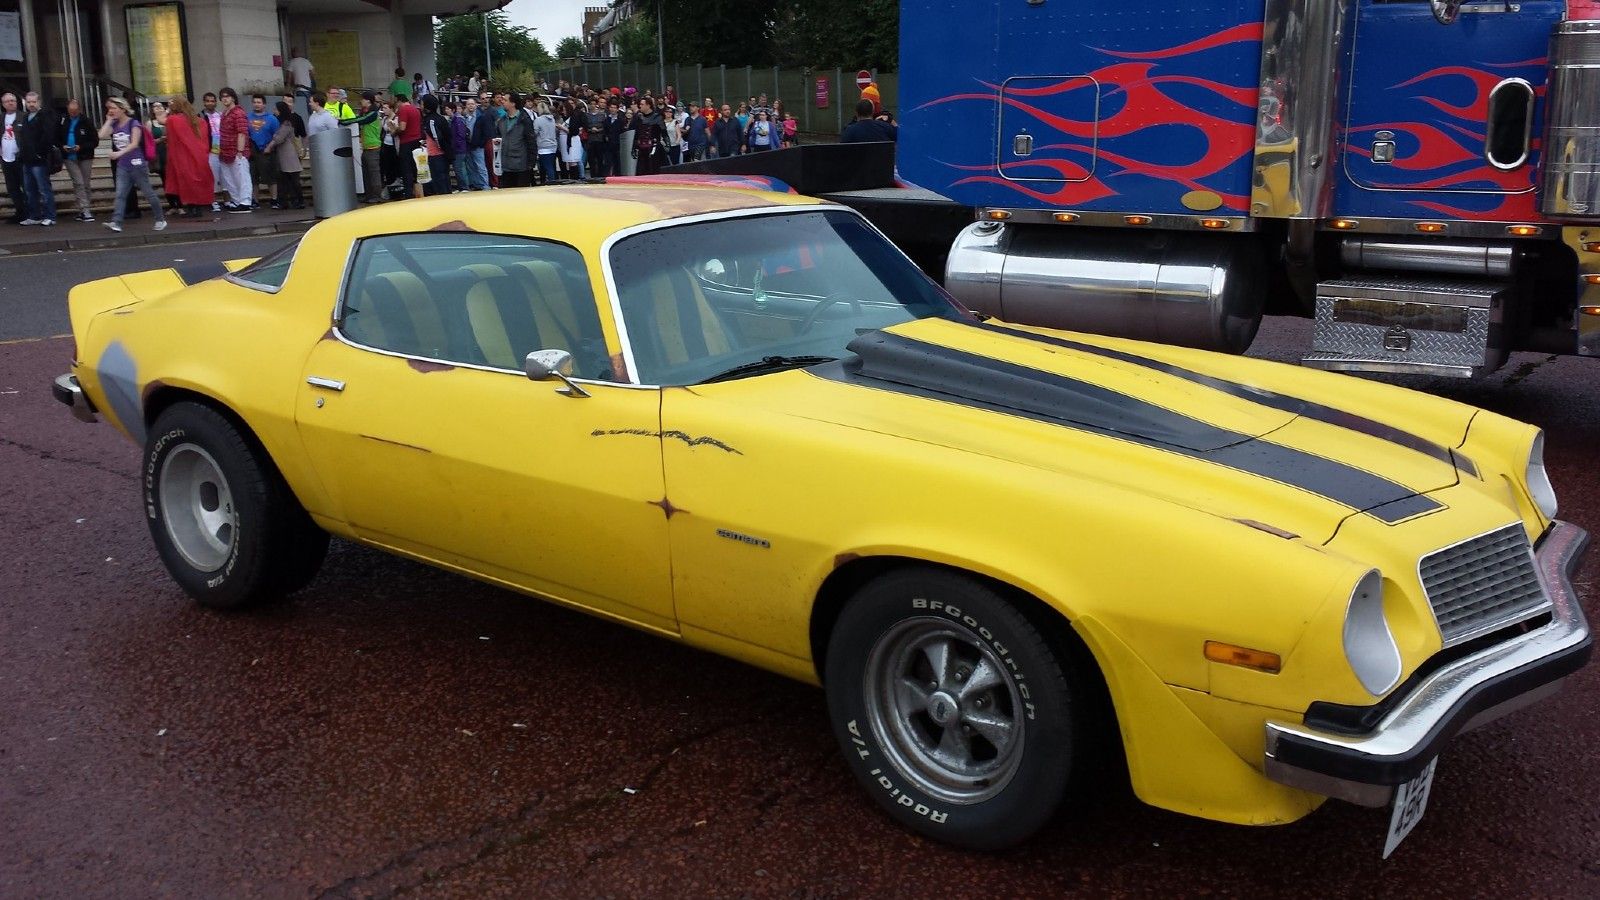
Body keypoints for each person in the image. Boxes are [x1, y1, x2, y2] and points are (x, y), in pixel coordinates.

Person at [99, 97, 166, 232]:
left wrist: (119, 153)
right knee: (120, 194)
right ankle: (116, 222)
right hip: (123, 165)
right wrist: (108, 120)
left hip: (136, 163)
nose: (111, 111)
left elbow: (134, 144)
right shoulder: (114, 124)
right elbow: (101, 135)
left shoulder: (133, 124)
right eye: (109, 108)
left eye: (113, 108)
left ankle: (160, 219)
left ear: (122, 109)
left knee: (148, 192)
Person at [162, 96, 214, 218]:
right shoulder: (198, 120)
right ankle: (197, 208)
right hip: (199, 155)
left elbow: (164, 123)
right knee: (195, 181)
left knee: (186, 182)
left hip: (182, 156)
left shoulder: (173, 119)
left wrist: (166, 111)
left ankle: (192, 208)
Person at [18, 92, 58, 225]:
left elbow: (48, 135)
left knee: (44, 188)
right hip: (27, 159)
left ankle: (50, 216)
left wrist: (40, 153)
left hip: (39, 159)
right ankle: (34, 215)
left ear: (39, 102)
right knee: (29, 189)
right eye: (29, 102)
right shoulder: (25, 117)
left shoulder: (44, 115)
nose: (31, 104)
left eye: (33, 102)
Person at [56, 98, 98, 221]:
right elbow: (56, 137)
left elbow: (94, 141)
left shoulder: (86, 121)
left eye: (75, 111)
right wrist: (62, 146)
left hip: (85, 156)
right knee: (78, 182)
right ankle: (85, 210)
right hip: (69, 157)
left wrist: (81, 146)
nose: (72, 113)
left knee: (85, 183)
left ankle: (84, 209)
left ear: (79, 110)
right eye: (70, 111)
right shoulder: (63, 120)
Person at [217, 88, 253, 212]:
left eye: (227, 96)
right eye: (222, 97)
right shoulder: (224, 114)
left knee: (242, 177)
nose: (225, 99)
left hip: (237, 151)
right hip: (225, 151)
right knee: (229, 179)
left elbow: (242, 132)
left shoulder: (238, 113)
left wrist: (240, 151)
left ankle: (245, 201)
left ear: (233, 97)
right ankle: (237, 200)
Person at [265, 102, 303, 210]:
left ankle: (296, 201)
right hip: (285, 154)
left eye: (276, 109)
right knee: (287, 180)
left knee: (291, 179)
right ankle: (290, 201)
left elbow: (279, 138)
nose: (274, 111)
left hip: (288, 154)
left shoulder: (286, 124)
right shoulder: (284, 122)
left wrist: (269, 147)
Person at [348, 91, 383, 202]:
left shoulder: (372, 114)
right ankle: (369, 195)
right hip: (366, 146)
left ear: (368, 101)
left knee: (374, 173)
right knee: (366, 173)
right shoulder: (366, 112)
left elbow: (359, 120)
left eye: (362, 99)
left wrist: (343, 121)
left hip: (373, 146)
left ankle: (377, 195)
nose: (360, 101)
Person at [495, 92, 533, 187]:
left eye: (505, 100)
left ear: (513, 103)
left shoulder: (525, 120)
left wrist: (530, 164)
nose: (502, 101)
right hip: (506, 166)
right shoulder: (501, 121)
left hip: (521, 166)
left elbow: (531, 142)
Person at [246, 95, 279, 205]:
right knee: (253, 177)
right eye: (254, 102)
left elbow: (277, 135)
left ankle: (274, 199)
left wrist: (270, 146)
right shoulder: (248, 118)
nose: (256, 104)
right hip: (252, 151)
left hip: (267, 151)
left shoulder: (271, 119)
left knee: (271, 177)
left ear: (264, 104)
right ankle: (255, 200)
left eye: (259, 102)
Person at [392, 90, 423, 198]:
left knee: (406, 169)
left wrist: (394, 130)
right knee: (415, 168)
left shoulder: (403, 109)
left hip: (406, 142)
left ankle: (408, 193)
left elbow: (402, 127)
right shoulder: (416, 109)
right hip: (416, 141)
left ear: (399, 101)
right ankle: (417, 191)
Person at [148, 100, 176, 214]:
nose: (158, 108)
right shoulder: (150, 123)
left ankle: (179, 205)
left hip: (171, 150)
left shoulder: (170, 119)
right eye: (155, 106)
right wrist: (160, 140)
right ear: (152, 110)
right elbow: (148, 141)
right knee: (165, 179)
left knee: (175, 177)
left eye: (160, 106)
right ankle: (172, 205)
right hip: (160, 152)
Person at [420, 94, 452, 195]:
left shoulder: (431, 120)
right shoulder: (438, 118)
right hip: (438, 155)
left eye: (422, 103)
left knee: (440, 183)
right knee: (443, 181)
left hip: (437, 156)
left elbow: (437, 137)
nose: (420, 106)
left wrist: (441, 149)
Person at [1, 93, 25, 223]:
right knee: (12, 187)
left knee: (25, 185)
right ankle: (20, 212)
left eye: (13, 100)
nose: (11, 103)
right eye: (7, 101)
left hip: (20, 158)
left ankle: (30, 212)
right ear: (3, 104)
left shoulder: (23, 117)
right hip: (5, 158)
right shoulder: (2, 118)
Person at [630, 96, 666, 176]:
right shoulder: (639, 117)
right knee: (641, 171)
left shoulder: (658, 117)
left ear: (648, 105)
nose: (640, 106)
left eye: (642, 104)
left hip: (654, 148)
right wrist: (634, 147)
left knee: (653, 170)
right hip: (641, 148)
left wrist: (667, 145)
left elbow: (664, 133)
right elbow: (637, 134)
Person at [201, 92, 225, 211]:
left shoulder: (221, 115)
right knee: (213, 176)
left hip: (222, 147)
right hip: (210, 149)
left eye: (212, 101)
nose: (210, 103)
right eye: (208, 101)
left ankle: (228, 200)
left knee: (225, 175)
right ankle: (213, 201)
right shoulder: (200, 116)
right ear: (204, 102)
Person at [466, 96, 491, 190]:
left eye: (472, 104)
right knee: (471, 167)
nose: (470, 106)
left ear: (476, 105)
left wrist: (481, 143)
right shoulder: (465, 117)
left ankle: (485, 185)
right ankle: (476, 185)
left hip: (478, 146)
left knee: (481, 167)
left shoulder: (482, 117)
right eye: (468, 104)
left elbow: (486, 132)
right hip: (469, 146)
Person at [531, 100, 558, 185]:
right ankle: (549, 182)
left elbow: (534, 133)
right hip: (553, 145)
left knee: (547, 167)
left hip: (543, 146)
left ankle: (551, 183)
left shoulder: (538, 120)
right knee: (551, 166)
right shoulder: (552, 119)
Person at [449, 100, 472, 190]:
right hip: (459, 148)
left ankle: (464, 188)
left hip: (460, 148)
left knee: (460, 169)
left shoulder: (458, 120)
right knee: (460, 169)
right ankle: (463, 187)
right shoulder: (455, 120)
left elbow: (460, 135)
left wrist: (456, 146)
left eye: (459, 108)